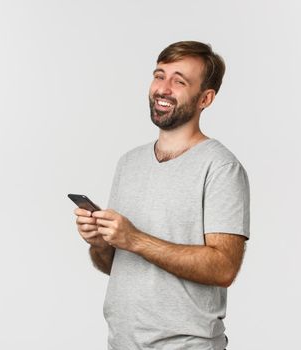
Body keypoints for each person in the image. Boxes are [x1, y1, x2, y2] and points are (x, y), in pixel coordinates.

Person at [74, 41, 250, 350]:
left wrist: (135, 239)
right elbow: (113, 265)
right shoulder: (129, 163)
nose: (163, 88)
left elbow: (224, 268)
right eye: (159, 75)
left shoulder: (222, 167)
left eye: (179, 81)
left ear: (205, 98)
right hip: (122, 343)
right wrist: (101, 244)